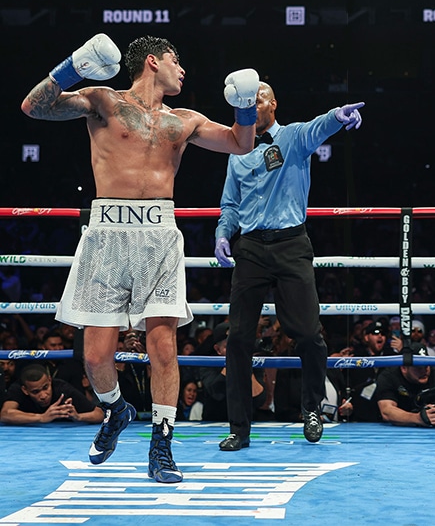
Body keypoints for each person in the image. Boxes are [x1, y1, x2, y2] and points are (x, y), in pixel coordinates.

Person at [21, 33, 259, 482]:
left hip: (159, 235)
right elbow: (35, 106)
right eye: (176, 59)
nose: (182, 69)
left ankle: (162, 447)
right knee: (95, 356)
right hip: (107, 232)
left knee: (163, 345)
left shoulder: (183, 120)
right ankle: (116, 411)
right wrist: (73, 65)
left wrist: (245, 105)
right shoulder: (104, 101)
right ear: (152, 62)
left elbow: (240, 144)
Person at [213, 81, 364, 451]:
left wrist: (337, 116)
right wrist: (222, 233)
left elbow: (318, 126)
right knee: (238, 340)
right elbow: (230, 205)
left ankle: (311, 409)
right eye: (250, 100)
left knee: (309, 335)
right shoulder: (237, 152)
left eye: (261, 96)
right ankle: (239, 429)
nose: (255, 103)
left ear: (273, 103)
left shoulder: (294, 137)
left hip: (291, 243)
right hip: (249, 247)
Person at [375, 343, 435, 427]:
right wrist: (417, 418)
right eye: (418, 367)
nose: (424, 371)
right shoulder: (389, 376)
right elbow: (386, 411)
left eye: (426, 365)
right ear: (404, 368)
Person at [1, 364, 105, 424]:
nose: (43, 396)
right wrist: (41, 417)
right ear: (25, 390)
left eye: (45, 388)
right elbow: (5, 414)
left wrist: (79, 417)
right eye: (35, 392)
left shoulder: (61, 388)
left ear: (50, 380)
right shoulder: (17, 389)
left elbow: (99, 414)